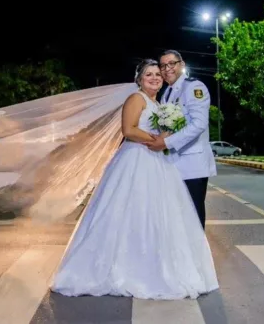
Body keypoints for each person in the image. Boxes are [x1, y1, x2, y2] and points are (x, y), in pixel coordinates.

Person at [50, 59, 218, 299]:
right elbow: (128, 130)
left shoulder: (159, 102)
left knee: (155, 214)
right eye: (149, 74)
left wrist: (165, 138)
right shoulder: (136, 99)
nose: (154, 78)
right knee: (125, 210)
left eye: (157, 74)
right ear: (139, 79)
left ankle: (150, 265)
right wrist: (155, 139)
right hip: (134, 159)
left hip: (158, 161)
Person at [147, 50, 216, 229]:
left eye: (172, 63)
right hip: (174, 164)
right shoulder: (167, 93)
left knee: (193, 214)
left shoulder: (194, 87)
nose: (167, 69)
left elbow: (199, 124)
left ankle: (198, 256)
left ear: (182, 64)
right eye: (163, 65)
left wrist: (166, 143)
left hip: (193, 165)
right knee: (179, 216)